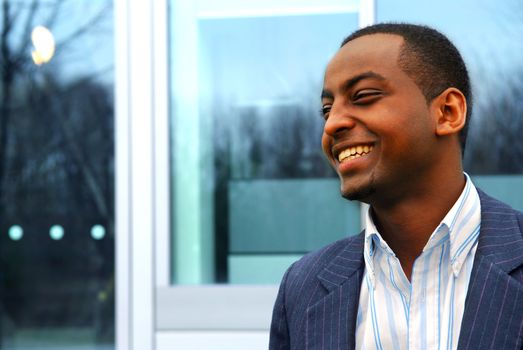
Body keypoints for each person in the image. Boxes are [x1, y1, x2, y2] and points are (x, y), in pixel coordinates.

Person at [269, 23, 523, 350]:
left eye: (363, 97)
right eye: (327, 110)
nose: (332, 124)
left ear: (448, 112)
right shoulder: (302, 287)